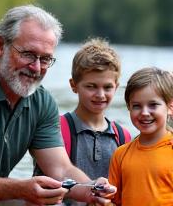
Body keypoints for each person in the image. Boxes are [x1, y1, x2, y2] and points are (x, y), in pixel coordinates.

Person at [0, 4, 116, 206]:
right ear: (0, 46)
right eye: (28, 54)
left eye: (45, 59)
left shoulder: (42, 102)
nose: (36, 67)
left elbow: (60, 169)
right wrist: (21, 190)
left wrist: (91, 189)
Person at [33, 38, 131, 205]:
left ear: (116, 86)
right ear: (74, 85)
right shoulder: (56, 129)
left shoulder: (123, 137)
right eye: (91, 86)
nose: (100, 94)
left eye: (107, 87)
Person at [108, 67, 173, 206]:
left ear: (170, 107)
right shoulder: (121, 154)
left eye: (153, 105)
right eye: (136, 106)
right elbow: (114, 201)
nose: (144, 112)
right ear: (129, 107)